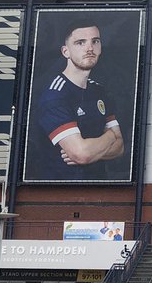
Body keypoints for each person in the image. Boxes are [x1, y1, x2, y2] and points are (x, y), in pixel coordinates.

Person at [27, 21, 124, 180]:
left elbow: (120, 148)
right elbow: (82, 154)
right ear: (66, 51)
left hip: (98, 188)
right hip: (62, 192)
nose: (90, 48)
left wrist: (92, 151)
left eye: (95, 41)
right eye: (80, 43)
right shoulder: (55, 95)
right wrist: (110, 137)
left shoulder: (99, 91)